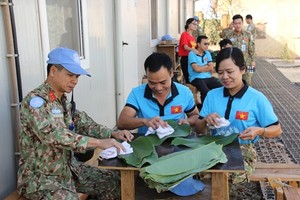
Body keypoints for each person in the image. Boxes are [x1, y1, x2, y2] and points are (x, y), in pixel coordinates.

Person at [17, 47, 134, 199]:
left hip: (69, 170)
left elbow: (83, 123)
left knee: (113, 181)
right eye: (70, 75)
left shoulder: (63, 100)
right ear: (53, 71)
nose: (75, 81)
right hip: (41, 179)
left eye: (77, 76)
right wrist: (98, 143)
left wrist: (113, 133)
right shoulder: (35, 102)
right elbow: (53, 135)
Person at [195, 47, 282, 184]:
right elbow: (198, 129)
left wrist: (260, 130)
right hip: (212, 147)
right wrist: (205, 119)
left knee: (223, 176)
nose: (224, 77)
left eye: (230, 72)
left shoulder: (256, 98)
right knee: (194, 172)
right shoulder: (212, 95)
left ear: (243, 69)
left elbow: (277, 129)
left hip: (242, 152)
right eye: (220, 72)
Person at [117, 52, 199, 135]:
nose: (158, 88)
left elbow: (195, 116)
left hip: (177, 141)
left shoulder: (184, 92)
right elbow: (122, 122)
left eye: (163, 82)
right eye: (152, 83)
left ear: (171, 73)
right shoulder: (137, 93)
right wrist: (145, 121)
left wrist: (188, 121)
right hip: (148, 144)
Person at [188, 35, 222, 106]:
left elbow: (211, 67)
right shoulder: (192, 54)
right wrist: (207, 66)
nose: (207, 46)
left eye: (208, 44)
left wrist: (201, 68)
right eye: (205, 44)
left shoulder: (207, 53)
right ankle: (204, 110)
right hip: (196, 78)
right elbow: (196, 69)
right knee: (206, 91)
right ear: (198, 44)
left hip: (208, 77)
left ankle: (218, 106)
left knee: (221, 87)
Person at [225, 14, 255, 86]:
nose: (238, 25)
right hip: (234, 64)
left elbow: (252, 48)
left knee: (248, 83)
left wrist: (253, 61)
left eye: (239, 23)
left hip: (248, 63)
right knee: (235, 83)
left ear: (242, 23)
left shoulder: (248, 34)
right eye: (235, 23)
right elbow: (226, 50)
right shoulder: (228, 36)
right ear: (233, 24)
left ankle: (248, 97)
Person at [178, 18, 199, 84]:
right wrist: (193, 49)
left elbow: (194, 47)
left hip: (192, 58)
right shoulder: (184, 34)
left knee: (192, 77)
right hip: (186, 59)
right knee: (188, 78)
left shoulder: (192, 37)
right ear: (188, 25)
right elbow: (185, 46)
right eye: (194, 24)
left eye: (196, 24)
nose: (195, 26)